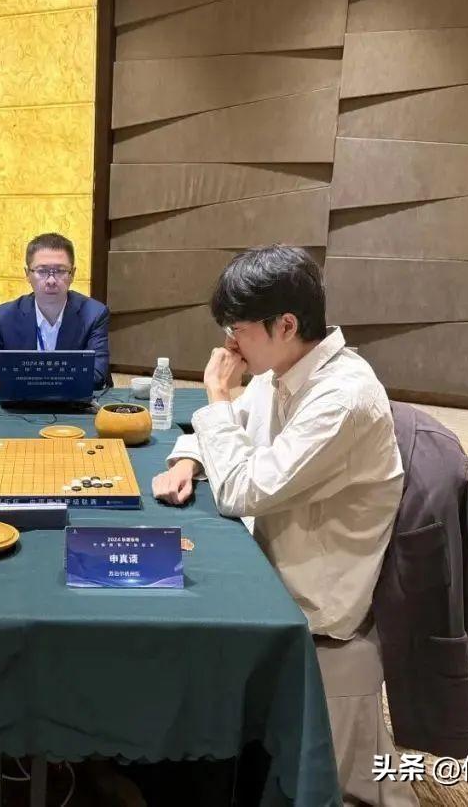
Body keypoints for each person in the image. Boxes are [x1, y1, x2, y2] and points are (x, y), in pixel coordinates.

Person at [151, 245, 416, 805]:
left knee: (164, 606)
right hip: (273, 554)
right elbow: (231, 432)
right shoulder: (285, 368)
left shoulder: (342, 398)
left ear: (287, 325)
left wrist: (216, 394)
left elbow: (243, 489)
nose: (230, 345)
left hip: (311, 596)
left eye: (239, 329)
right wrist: (188, 460)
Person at [0, 232, 110, 406]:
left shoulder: (94, 314)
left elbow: (96, 374)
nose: (51, 280)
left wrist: (19, 380)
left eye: (60, 271)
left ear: (72, 274)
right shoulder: (6, 315)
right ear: (27, 274)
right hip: (20, 410)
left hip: (74, 407)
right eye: (42, 271)